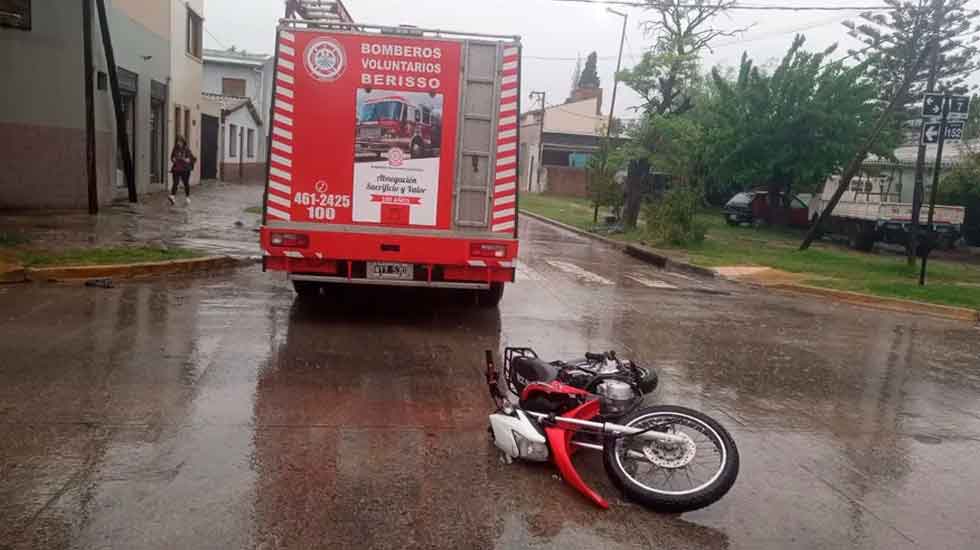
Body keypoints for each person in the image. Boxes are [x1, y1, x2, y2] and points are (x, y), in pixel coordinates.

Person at [169, 136, 196, 205]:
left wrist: (188, 160)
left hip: (185, 169)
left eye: (180, 142)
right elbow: (172, 157)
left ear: (183, 142)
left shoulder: (186, 149)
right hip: (176, 169)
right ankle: (172, 196)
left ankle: (187, 197)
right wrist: (173, 159)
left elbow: (193, 158)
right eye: (178, 142)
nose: (179, 143)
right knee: (175, 182)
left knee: (186, 183)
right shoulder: (175, 149)